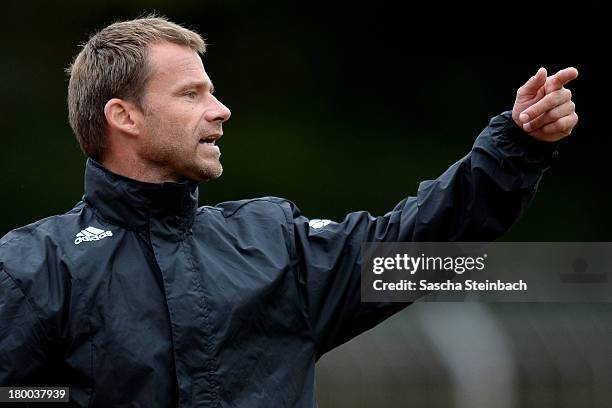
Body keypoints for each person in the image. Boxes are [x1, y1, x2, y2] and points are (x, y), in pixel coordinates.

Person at [0, 15, 578, 407]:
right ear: (124, 116)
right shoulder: (32, 267)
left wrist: (516, 146)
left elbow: (415, 243)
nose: (221, 110)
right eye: (190, 94)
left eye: (212, 91)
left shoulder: (275, 243)